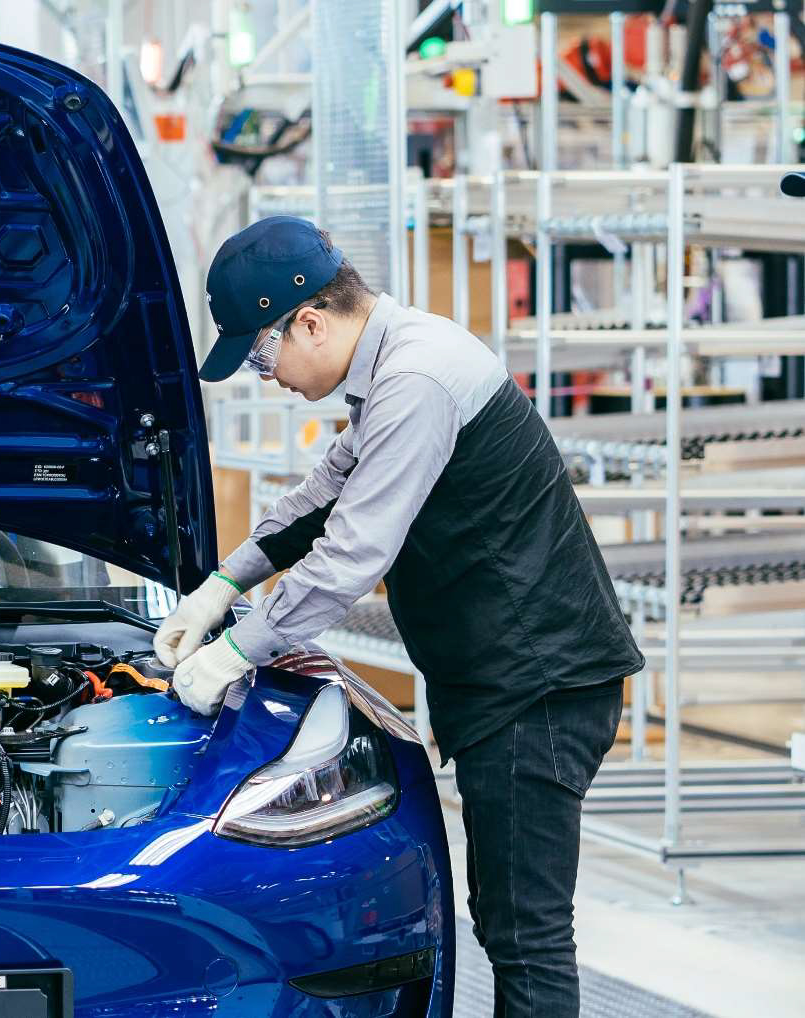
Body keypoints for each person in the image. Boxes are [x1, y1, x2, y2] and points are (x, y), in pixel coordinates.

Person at [157, 216, 643, 1018]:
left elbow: (351, 556)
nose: (263, 373)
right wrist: (218, 585)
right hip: (508, 680)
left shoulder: (415, 380)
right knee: (507, 925)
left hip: (539, 687)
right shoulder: (391, 367)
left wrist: (234, 650)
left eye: (259, 353)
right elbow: (321, 501)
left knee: (527, 938)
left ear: (308, 320)